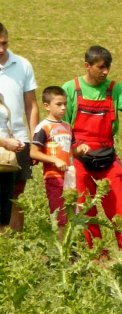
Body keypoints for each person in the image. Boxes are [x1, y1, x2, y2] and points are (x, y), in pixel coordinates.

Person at [62, 45, 122, 249]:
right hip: (78, 155)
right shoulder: (71, 89)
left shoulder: (115, 89)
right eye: (101, 67)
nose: (105, 71)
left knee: (120, 204)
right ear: (87, 66)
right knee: (85, 207)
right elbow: (62, 124)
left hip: (106, 154)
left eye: (108, 67)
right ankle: (96, 254)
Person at [0, 23, 39, 232]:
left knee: (17, 196)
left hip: (19, 140)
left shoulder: (22, 65)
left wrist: (35, 142)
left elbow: (31, 105)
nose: (1, 49)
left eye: (4, 43)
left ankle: (16, 245)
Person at [31, 87, 84, 229]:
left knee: (73, 213)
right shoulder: (43, 127)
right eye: (59, 104)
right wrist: (54, 160)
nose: (63, 108)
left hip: (70, 175)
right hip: (53, 176)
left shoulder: (68, 127)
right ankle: (59, 242)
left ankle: (70, 241)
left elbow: (71, 151)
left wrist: (80, 150)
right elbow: (34, 153)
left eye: (65, 104)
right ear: (47, 106)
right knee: (60, 215)